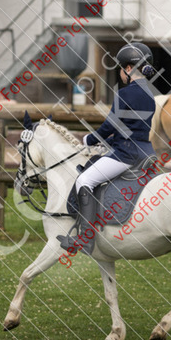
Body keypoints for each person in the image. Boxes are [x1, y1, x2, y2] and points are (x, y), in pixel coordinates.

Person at [57, 42, 156, 255]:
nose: (120, 73)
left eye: (121, 68)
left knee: (84, 180)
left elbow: (110, 126)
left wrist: (89, 140)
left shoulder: (126, 93)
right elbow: (132, 128)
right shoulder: (150, 95)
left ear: (128, 68)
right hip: (145, 151)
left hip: (126, 154)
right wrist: (110, 141)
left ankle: (86, 239)